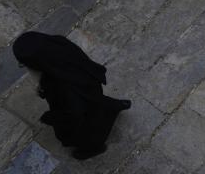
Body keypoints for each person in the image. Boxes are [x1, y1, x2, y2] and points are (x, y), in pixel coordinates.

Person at [13, 32, 131, 160]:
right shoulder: (59, 46)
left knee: (86, 132)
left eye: (24, 64)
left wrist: (50, 117)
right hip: (89, 87)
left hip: (81, 108)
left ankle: (94, 148)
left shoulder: (61, 87)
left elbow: (73, 113)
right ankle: (116, 106)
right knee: (98, 106)